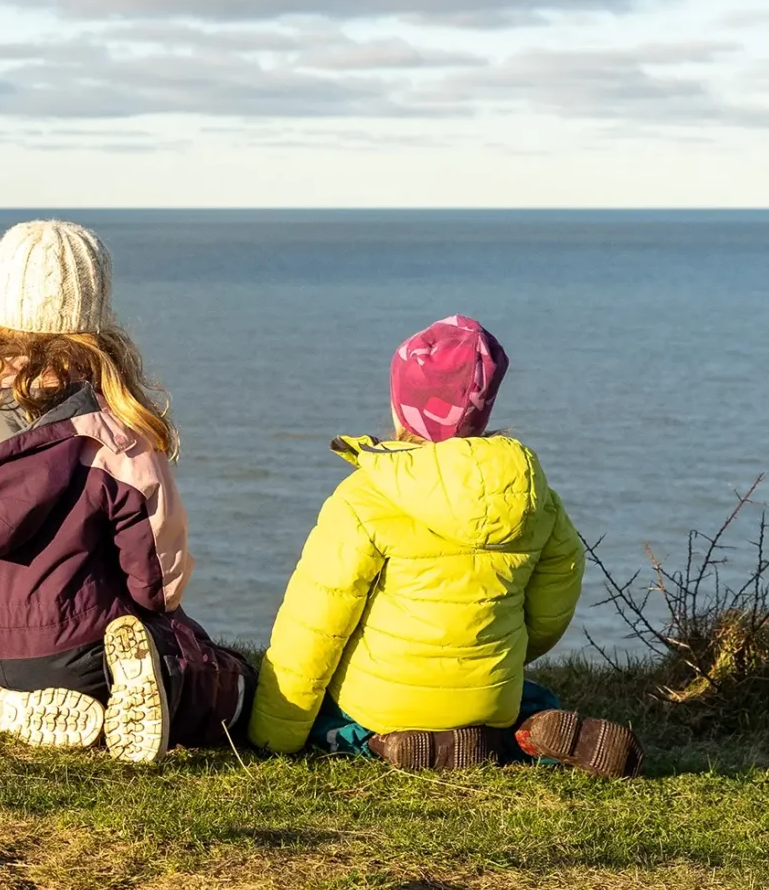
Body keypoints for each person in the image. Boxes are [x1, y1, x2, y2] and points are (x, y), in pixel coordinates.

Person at [0, 219, 250, 764]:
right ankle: (163, 692)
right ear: (93, 313)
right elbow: (158, 582)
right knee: (212, 673)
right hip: (84, 654)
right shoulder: (112, 435)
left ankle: (7, 702)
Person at [245, 315, 639, 776]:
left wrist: (273, 735)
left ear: (401, 407)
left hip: (383, 702)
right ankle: (512, 736)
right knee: (531, 697)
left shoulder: (365, 498)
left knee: (330, 720)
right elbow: (555, 603)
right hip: (488, 695)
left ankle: (383, 744)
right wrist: (501, 654)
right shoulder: (534, 499)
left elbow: (314, 624)